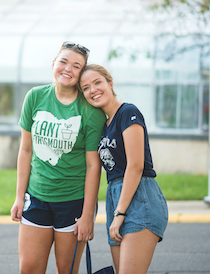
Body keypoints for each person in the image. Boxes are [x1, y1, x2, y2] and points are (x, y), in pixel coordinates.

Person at [10, 43, 106, 274]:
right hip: (37, 197)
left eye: (76, 66)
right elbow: (25, 150)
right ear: (53, 63)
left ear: (80, 74)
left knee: (66, 270)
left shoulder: (90, 111)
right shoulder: (35, 97)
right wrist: (19, 197)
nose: (67, 69)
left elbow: (94, 165)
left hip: (73, 201)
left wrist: (87, 214)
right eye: (63, 61)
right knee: (29, 269)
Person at [80, 64, 168, 274]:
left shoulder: (128, 112)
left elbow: (136, 166)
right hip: (115, 197)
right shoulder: (104, 124)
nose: (92, 90)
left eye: (97, 82)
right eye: (85, 88)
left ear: (110, 84)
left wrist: (120, 213)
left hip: (139, 198)